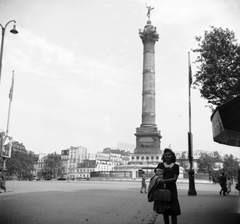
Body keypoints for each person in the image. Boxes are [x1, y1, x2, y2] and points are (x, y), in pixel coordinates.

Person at [155, 148, 181, 224]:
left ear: (172, 156)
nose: (167, 156)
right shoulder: (160, 165)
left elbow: (174, 179)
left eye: (169, 154)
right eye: (166, 155)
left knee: (173, 211)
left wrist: (163, 181)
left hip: (172, 189)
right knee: (165, 210)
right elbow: (157, 175)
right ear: (164, 156)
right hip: (162, 189)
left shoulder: (175, 166)